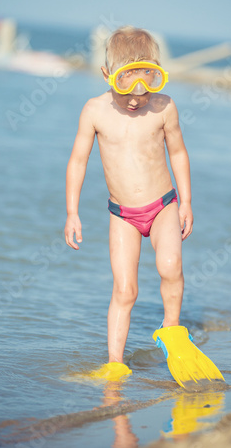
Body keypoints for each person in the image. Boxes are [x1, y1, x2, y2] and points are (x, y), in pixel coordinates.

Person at [64, 26, 193, 379]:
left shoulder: (163, 107)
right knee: (125, 289)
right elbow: (77, 161)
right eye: (127, 89)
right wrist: (72, 212)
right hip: (122, 214)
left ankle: (172, 330)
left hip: (164, 205)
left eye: (147, 84)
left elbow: (178, 153)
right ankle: (116, 362)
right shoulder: (94, 111)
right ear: (108, 75)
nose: (137, 98)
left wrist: (185, 203)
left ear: (156, 74)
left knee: (170, 267)